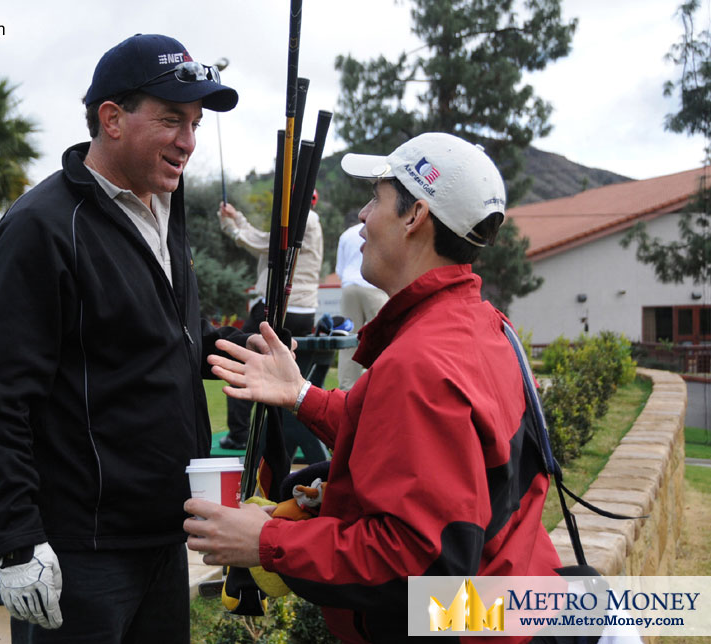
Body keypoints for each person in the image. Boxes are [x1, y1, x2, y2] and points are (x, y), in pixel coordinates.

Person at [185, 133, 562, 643]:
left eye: (376, 198)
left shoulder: (420, 362)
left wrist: (269, 541)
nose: (362, 216)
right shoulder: (483, 327)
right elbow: (408, 447)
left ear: (415, 216)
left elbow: (416, 560)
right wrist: (302, 395)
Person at [0, 34, 243, 644]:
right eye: (171, 119)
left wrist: (237, 351)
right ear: (111, 118)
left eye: (193, 123)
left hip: (163, 536)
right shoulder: (42, 228)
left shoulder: (163, 207)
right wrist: (15, 541)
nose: (188, 141)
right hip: (80, 553)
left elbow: (158, 338)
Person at [216, 191, 323, 450]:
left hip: (279, 307)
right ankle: (276, 437)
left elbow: (263, 243)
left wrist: (232, 228)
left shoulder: (302, 220)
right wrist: (238, 217)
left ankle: (240, 434)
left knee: (243, 361)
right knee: (276, 369)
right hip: (302, 309)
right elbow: (265, 241)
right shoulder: (309, 220)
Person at [334, 217, 387, 390]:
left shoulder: (346, 234)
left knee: (349, 339)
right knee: (384, 339)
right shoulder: (381, 229)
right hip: (374, 287)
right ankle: (383, 383)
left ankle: (347, 387)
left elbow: (339, 270)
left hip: (349, 286)